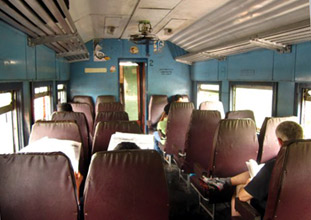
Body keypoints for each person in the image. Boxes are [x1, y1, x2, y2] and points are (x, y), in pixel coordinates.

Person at [203, 121, 303, 217]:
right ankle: (225, 181)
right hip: (300, 212)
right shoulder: (303, 160)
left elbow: (242, 197)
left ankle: (236, 214)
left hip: (268, 213)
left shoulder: (275, 165)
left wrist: (248, 183)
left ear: (280, 141)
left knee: (239, 190)